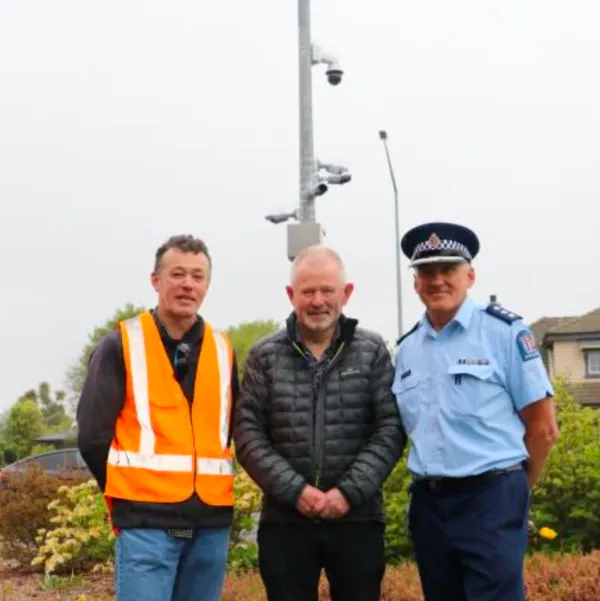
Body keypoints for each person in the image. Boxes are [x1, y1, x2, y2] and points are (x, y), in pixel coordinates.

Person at [394, 222, 559, 601]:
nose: (437, 280)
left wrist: (516, 490)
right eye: (426, 272)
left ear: (470, 275)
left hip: (491, 496)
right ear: (416, 283)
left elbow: (543, 427)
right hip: (429, 504)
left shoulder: (504, 333)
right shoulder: (407, 350)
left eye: (447, 270)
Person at [233, 245, 406, 601]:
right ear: (290, 294)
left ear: (346, 293)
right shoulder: (264, 355)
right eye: (307, 291)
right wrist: (295, 491)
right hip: (285, 522)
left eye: (327, 290)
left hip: (357, 520)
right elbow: (248, 434)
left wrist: (348, 492)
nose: (317, 301)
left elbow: (390, 428)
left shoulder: (372, 351)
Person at [76, 234, 239, 601]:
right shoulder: (120, 344)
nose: (187, 284)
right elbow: (91, 436)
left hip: (210, 524)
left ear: (207, 285)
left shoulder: (222, 347)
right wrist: (129, 494)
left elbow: (227, 430)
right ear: (156, 281)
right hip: (146, 524)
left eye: (198, 276)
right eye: (177, 274)